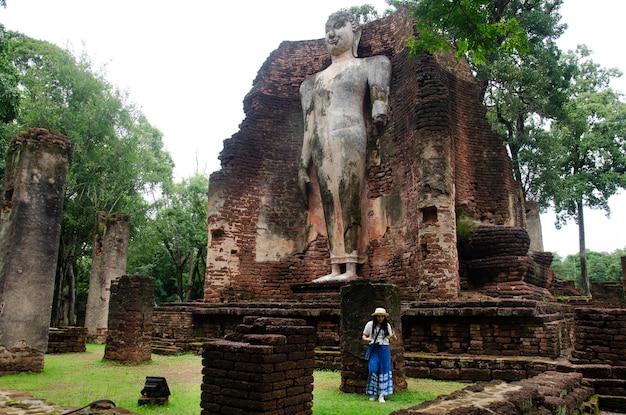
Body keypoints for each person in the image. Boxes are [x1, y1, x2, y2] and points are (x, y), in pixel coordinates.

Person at [299, 11, 391, 283]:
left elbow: (379, 103)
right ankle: (336, 266)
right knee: (329, 199)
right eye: (328, 28)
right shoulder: (311, 82)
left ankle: (352, 266)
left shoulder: (370, 65)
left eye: (339, 27)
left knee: (350, 195)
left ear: (355, 32)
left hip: (350, 134)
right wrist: (302, 164)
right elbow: (309, 126)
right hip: (321, 142)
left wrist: (380, 107)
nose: (332, 33)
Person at [362, 307, 397, 403]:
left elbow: (393, 338)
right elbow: (364, 336)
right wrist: (369, 340)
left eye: (382, 316)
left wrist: (393, 336)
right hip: (374, 349)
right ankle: (373, 393)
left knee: (384, 370)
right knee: (373, 369)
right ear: (376, 316)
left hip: (384, 349)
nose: (380, 318)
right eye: (379, 316)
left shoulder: (387, 326)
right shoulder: (370, 325)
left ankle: (382, 394)